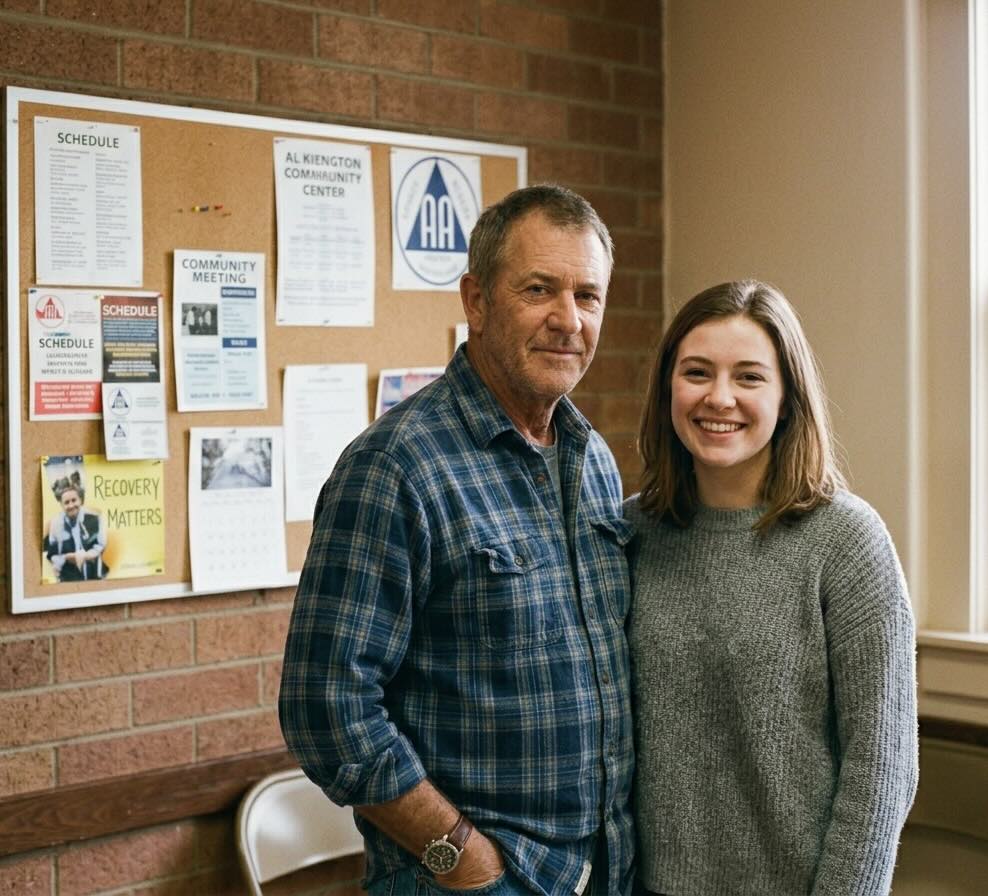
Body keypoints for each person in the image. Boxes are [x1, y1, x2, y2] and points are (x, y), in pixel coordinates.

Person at [279, 185, 635, 896]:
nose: (568, 320)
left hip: (603, 870)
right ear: (476, 300)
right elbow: (326, 708)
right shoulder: (396, 467)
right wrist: (461, 863)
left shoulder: (590, 456)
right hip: (473, 882)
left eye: (588, 296)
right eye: (539, 290)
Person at [625, 280, 918, 896]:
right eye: (697, 372)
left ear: (787, 398)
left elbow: (882, 769)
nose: (719, 397)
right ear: (667, 390)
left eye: (750, 377)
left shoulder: (846, 542)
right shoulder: (630, 532)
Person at [44, 476, 108, 581]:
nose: (71, 505)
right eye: (66, 502)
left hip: (95, 572)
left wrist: (85, 556)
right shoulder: (56, 523)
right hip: (68, 576)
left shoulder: (95, 518)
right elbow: (52, 552)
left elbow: (101, 545)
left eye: (74, 500)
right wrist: (64, 558)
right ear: (61, 504)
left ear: (81, 500)